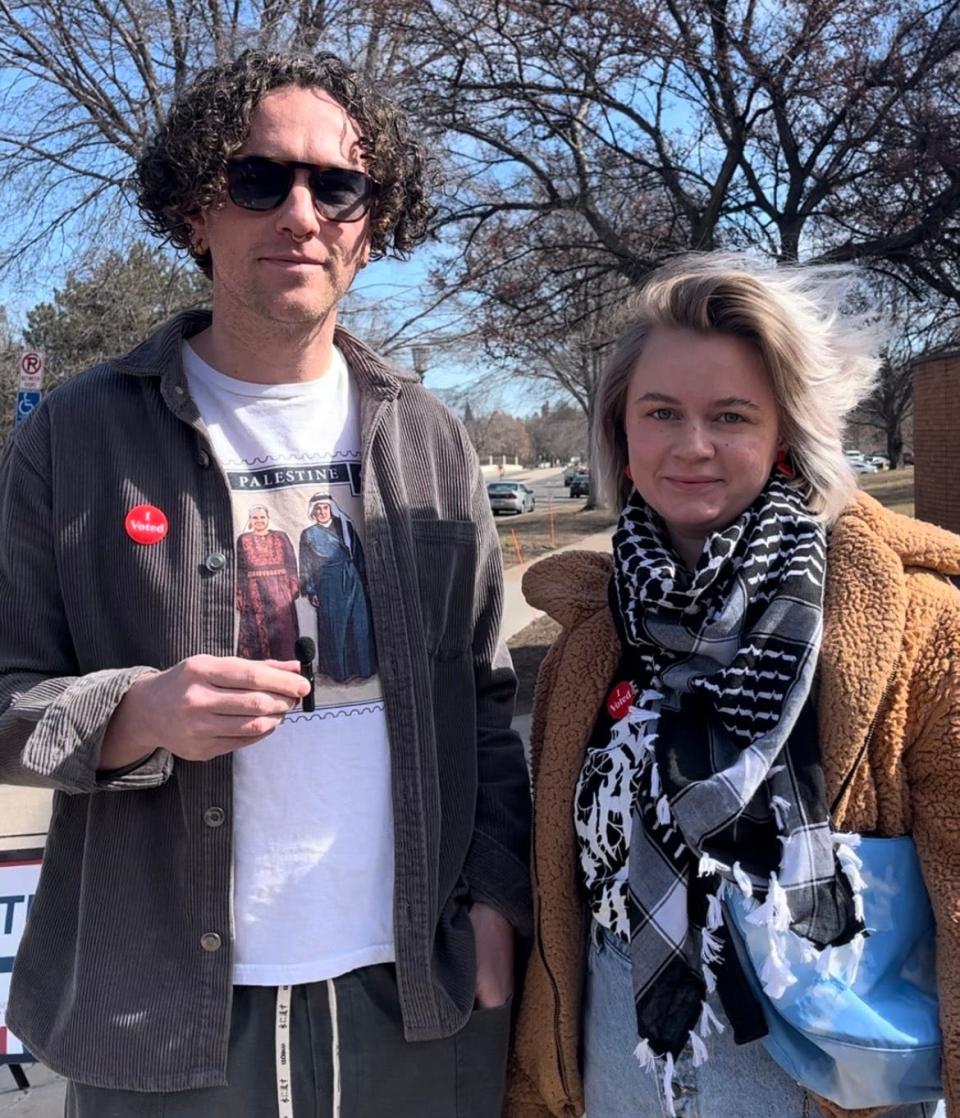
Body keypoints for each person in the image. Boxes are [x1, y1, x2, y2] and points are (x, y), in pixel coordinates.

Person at [0, 50, 530, 1118]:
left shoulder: (429, 437)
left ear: (371, 226)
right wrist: (132, 713)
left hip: (414, 990)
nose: (301, 211)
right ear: (195, 209)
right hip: (157, 1010)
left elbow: (485, 698)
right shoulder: (77, 433)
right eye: (258, 179)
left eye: (336, 186)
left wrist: (498, 904)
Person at [507, 255, 958, 1118]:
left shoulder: (920, 632)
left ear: (784, 433)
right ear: (620, 434)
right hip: (619, 1060)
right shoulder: (588, 641)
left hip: (827, 1076)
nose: (693, 445)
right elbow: (561, 908)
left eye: (731, 416)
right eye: (662, 413)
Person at [298, 493, 375, 681]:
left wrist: (363, 579)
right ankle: (339, 672)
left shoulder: (345, 527)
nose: (322, 512)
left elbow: (357, 554)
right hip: (328, 581)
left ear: (331, 509)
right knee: (335, 626)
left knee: (359, 622)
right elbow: (306, 563)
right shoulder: (308, 534)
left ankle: (363, 669)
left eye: (325, 508)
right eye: (318, 509)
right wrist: (311, 590)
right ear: (313, 512)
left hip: (352, 577)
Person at [236, 504, 301, 660]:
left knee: (285, 628)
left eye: (262, 517)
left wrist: (294, 585)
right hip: (254, 591)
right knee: (256, 632)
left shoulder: (281, 537)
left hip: (280, 589)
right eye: (255, 518)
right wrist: (239, 593)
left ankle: (287, 665)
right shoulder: (243, 539)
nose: (259, 521)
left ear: (268, 519)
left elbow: (291, 562)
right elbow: (240, 568)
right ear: (250, 520)